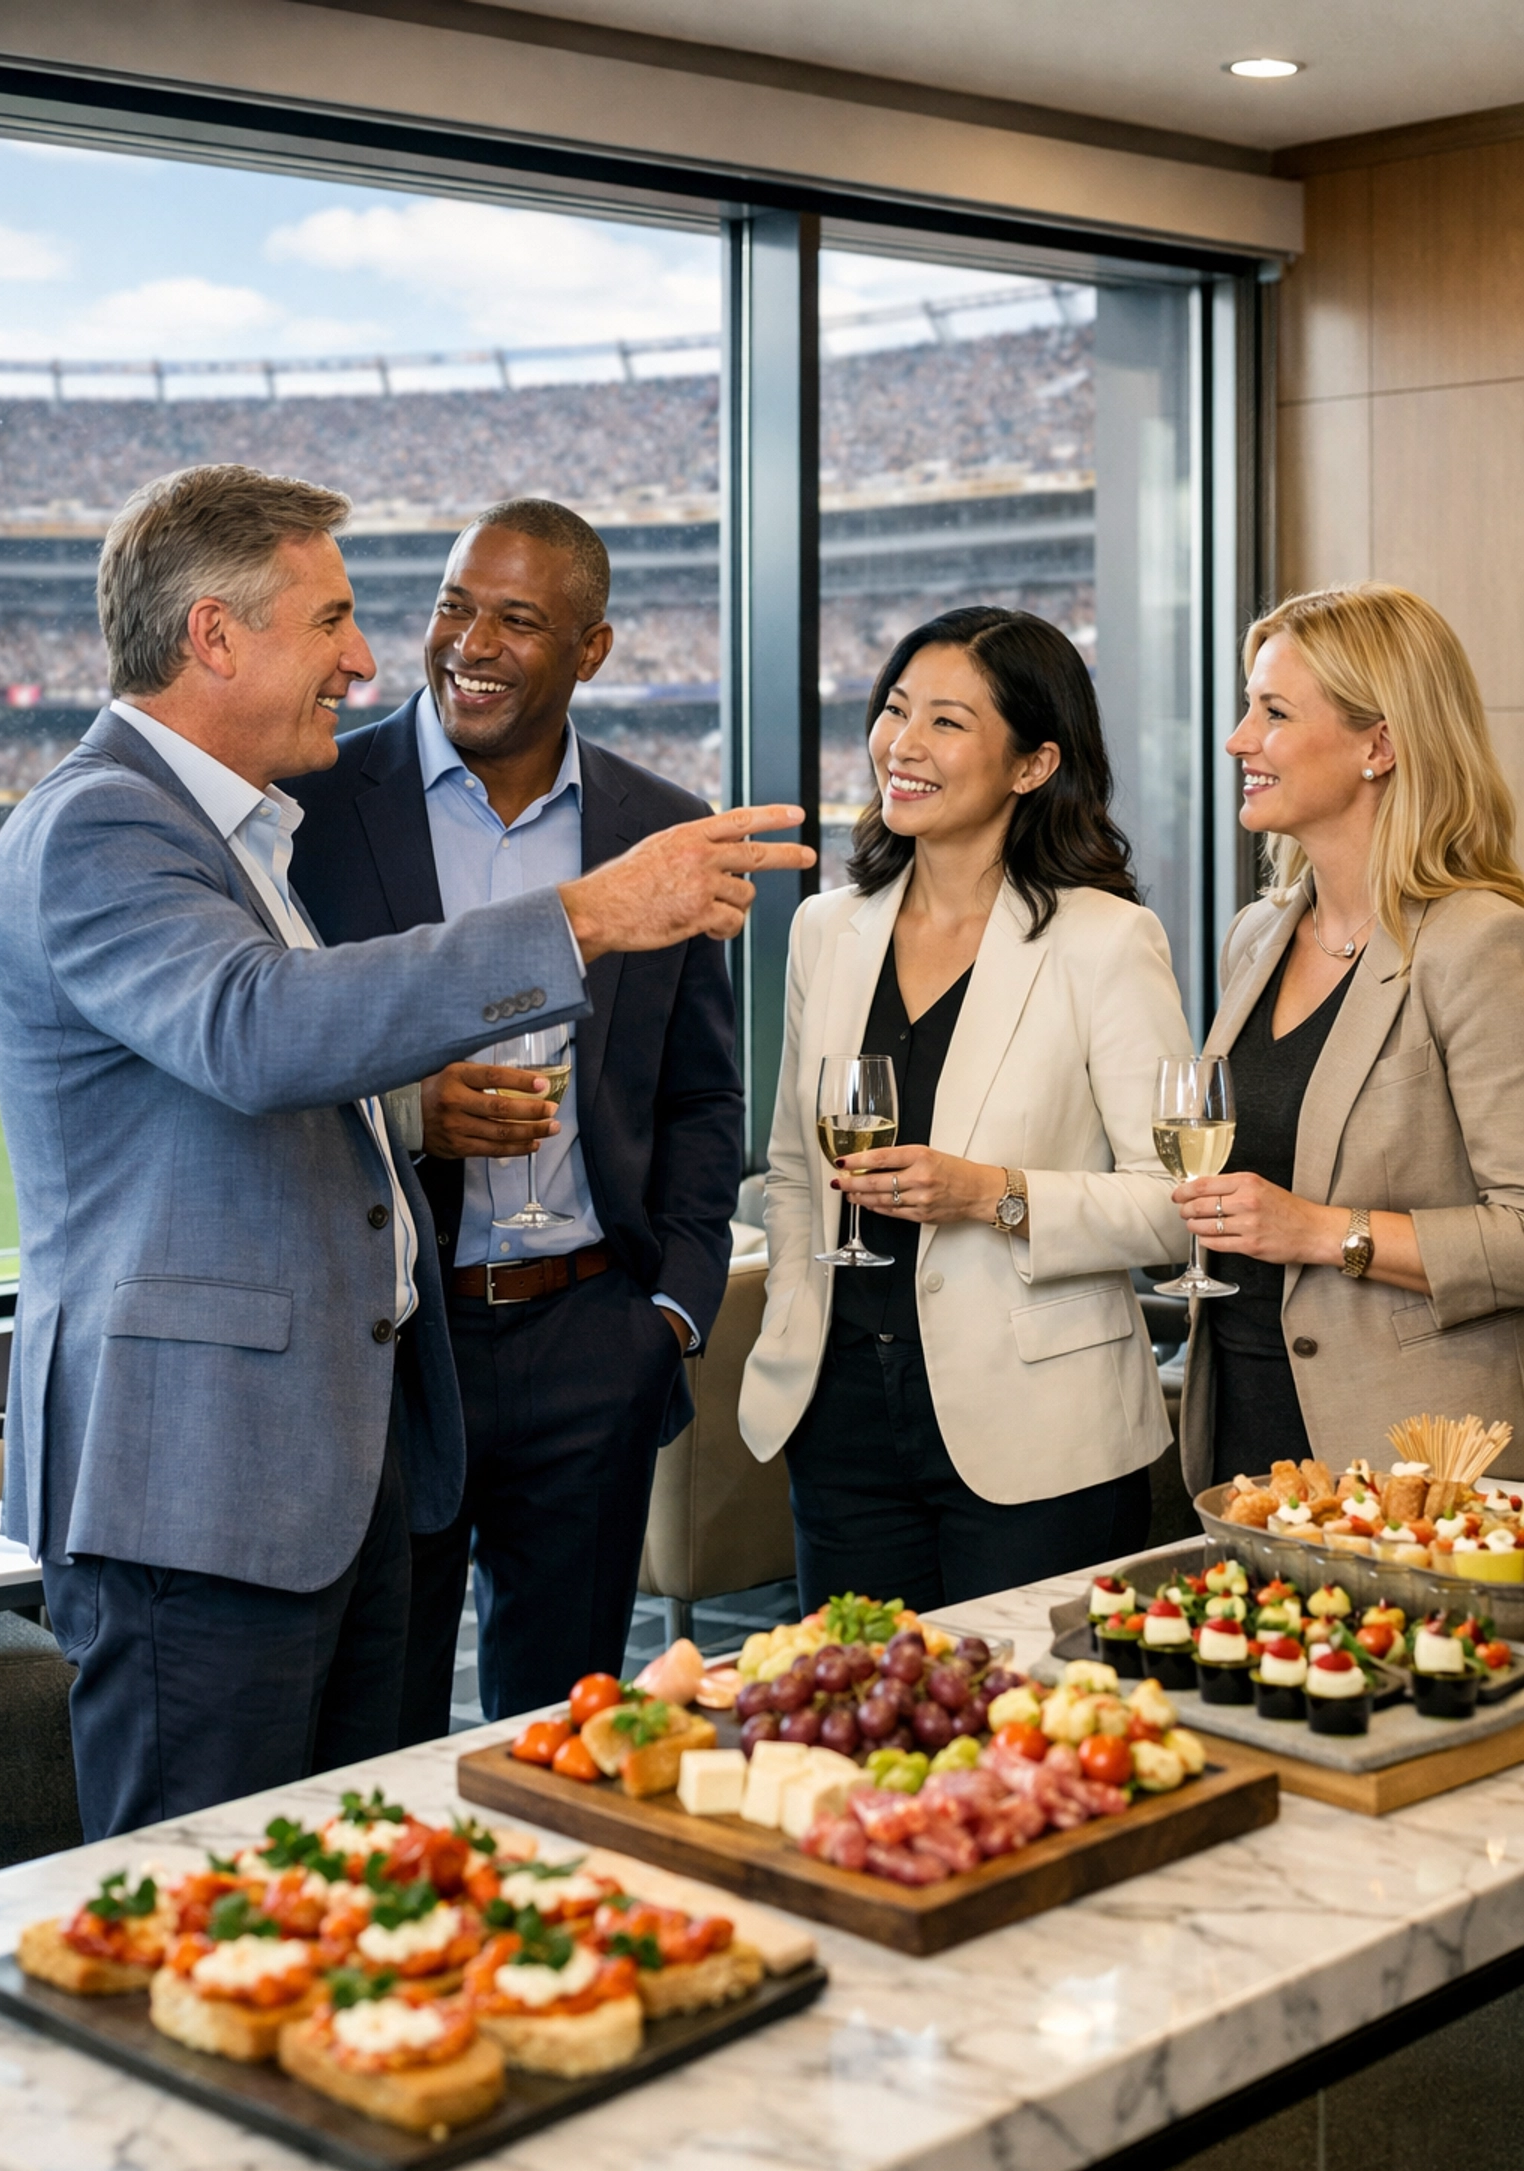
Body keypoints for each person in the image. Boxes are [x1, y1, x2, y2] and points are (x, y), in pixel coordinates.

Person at [0, 463, 809, 1838]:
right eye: (334, 622)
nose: (370, 661)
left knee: (340, 1867)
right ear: (214, 635)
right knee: (214, 1892)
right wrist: (584, 920)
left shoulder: (240, 828)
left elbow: (260, 1087)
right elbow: (254, 1031)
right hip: (204, 1482)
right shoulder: (102, 823)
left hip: (327, 1467)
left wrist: (420, 1115)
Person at [284, 499, 742, 1729]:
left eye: (517, 619)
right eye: (451, 604)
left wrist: (672, 1316)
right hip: (392, 1350)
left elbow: (703, 1096)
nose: (467, 642)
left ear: (591, 650)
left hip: (594, 1339)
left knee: (567, 1733)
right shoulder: (315, 808)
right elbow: (274, 1052)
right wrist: (413, 1110)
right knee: (376, 1727)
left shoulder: (660, 831)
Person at [738, 605, 1191, 1615]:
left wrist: (996, 1194)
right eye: (896, 709)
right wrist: (794, 1327)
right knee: (860, 1733)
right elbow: (789, 1170)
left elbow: (1175, 1207)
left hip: (1041, 1436)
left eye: (947, 722)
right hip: (841, 1416)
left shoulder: (1107, 942)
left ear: (1033, 764)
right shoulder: (827, 929)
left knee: (1028, 1749)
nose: (903, 744)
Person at [1176, 583, 1524, 1489]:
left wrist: (1325, 1233)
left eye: (1274, 712)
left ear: (1380, 744)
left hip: (1413, 1462)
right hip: (1244, 1430)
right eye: (1248, 708)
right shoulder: (1257, 935)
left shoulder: (1480, 939)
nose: (1238, 740)